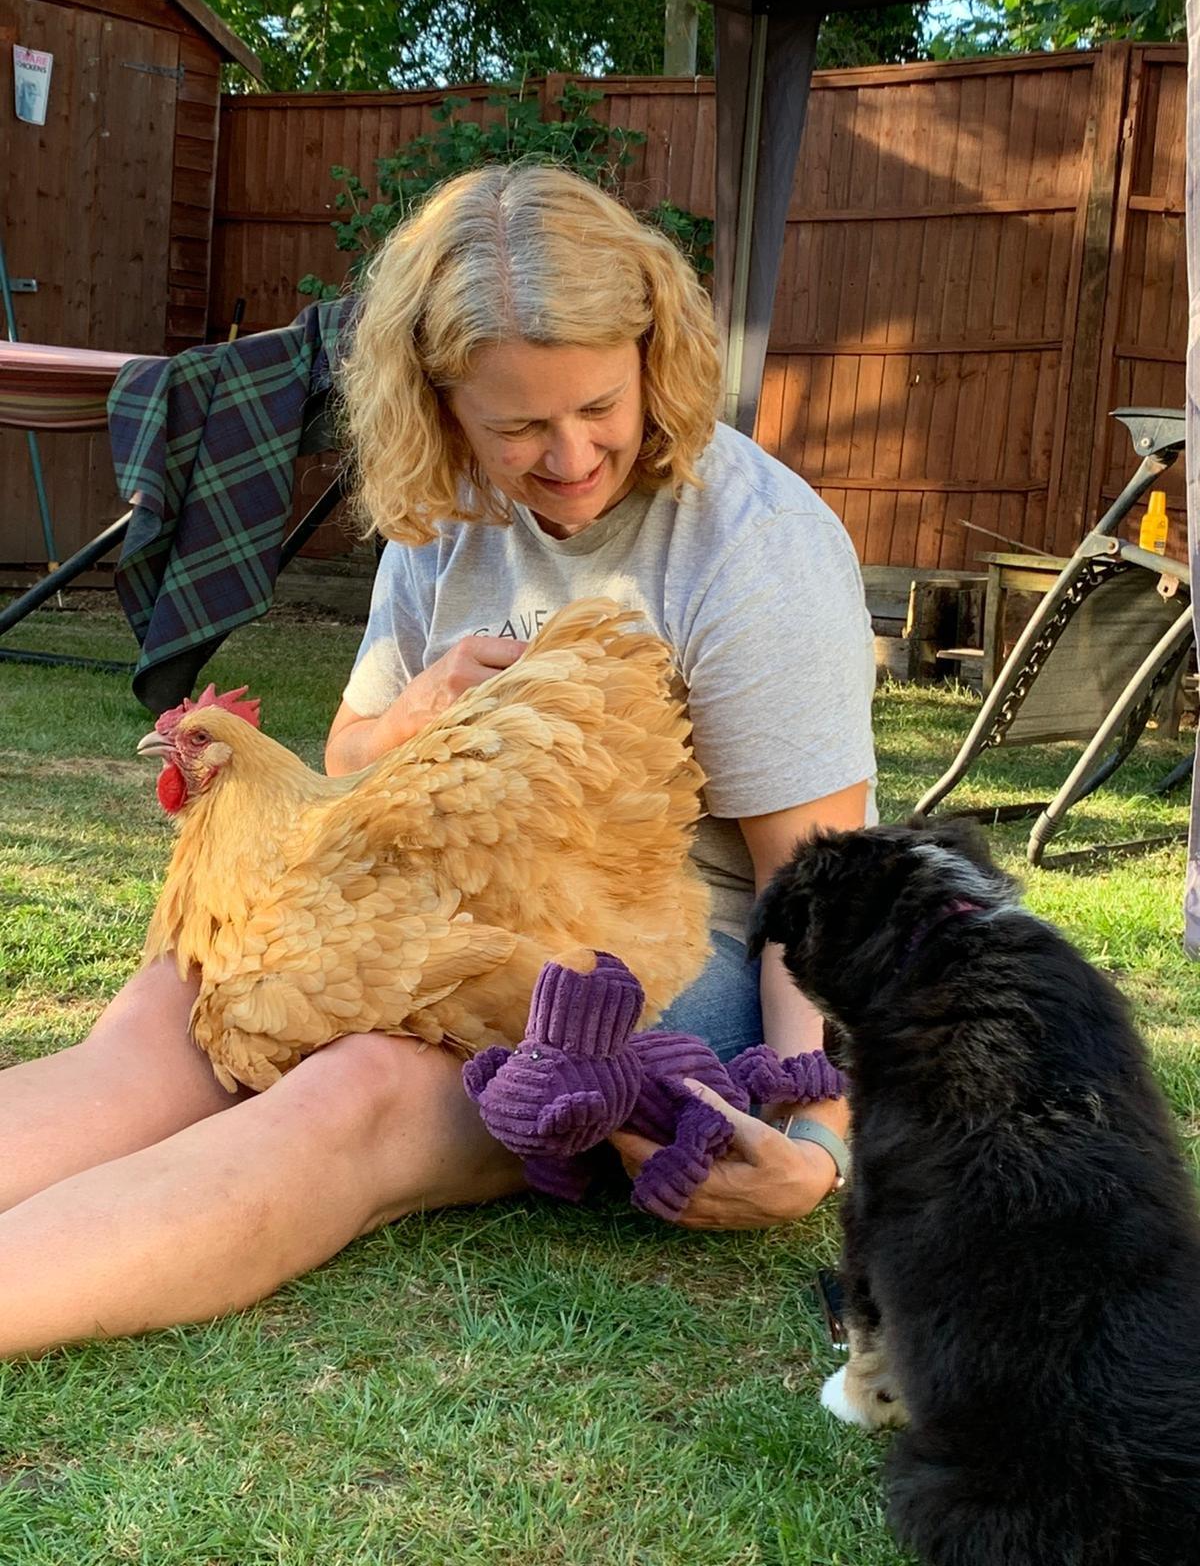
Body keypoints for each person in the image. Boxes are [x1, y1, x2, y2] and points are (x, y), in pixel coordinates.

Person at [0, 165, 874, 1360]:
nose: (568, 455)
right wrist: (414, 714)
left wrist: (818, 1132)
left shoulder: (750, 548)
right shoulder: (449, 508)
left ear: (655, 356)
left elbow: (817, 882)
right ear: (441, 406)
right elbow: (352, 754)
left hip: (646, 946)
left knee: (358, 1088)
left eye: (600, 406)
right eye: (518, 424)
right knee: (174, 1010)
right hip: (424, 894)